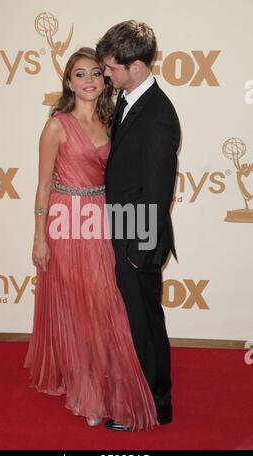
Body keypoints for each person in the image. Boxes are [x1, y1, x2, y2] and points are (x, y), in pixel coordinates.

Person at [24, 47, 158, 431]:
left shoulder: (111, 122)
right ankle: (86, 392)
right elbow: (44, 185)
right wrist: (38, 237)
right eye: (80, 74)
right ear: (69, 81)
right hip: (64, 224)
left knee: (101, 310)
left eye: (96, 74)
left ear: (105, 80)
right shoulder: (56, 125)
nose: (88, 81)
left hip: (100, 220)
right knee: (75, 310)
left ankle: (97, 386)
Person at [96, 21, 181, 431]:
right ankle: (148, 398)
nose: (104, 74)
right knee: (141, 321)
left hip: (138, 240)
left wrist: (137, 249)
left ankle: (153, 407)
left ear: (136, 65)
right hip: (124, 232)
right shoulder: (130, 100)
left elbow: (157, 191)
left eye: (111, 67)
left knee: (144, 325)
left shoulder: (159, 115)